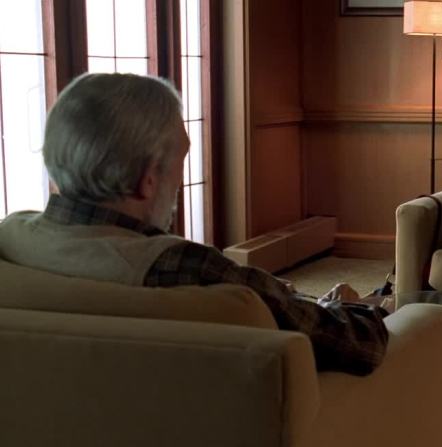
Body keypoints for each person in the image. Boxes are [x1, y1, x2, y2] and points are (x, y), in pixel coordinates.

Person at [0, 72, 388, 376]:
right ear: (147, 180)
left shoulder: (11, 240)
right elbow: (359, 345)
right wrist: (360, 309)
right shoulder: (187, 268)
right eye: (180, 159)